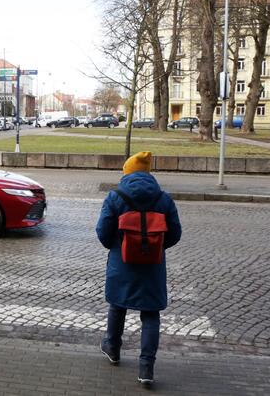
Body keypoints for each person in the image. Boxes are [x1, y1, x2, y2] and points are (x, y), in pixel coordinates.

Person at [96, 151, 182, 386]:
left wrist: (117, 247)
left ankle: (112, 349)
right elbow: (175, 234)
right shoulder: (164, 199)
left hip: (121, 264)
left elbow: (103, 233)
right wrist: (155, 247)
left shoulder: (115, 197)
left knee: (117, 305)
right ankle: (146, 369)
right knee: (151, 314)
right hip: (152, 265)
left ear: (126, 173)